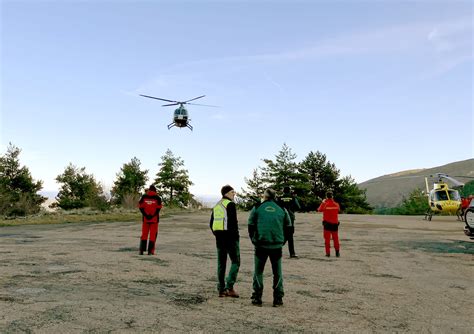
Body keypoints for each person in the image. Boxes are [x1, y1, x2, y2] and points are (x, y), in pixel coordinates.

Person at [248, 188, 292, 307]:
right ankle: (278, 299)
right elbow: (289, 226)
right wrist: (284, 240)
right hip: (276, 245)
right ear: (275, 196)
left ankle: (257, 297)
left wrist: (253, 239)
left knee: (258, 271)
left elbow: (250, 224)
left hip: (261, 244)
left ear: (265, 196)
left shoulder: (257, 207)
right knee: (277, 272)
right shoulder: (282, 208)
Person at [210, 185, 240, 298]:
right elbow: (233, 223)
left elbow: (211, 224)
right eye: (232, 192)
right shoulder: (230, 204)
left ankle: (221, 289)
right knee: (236, 262)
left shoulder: (217, 205)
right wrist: (236, 237)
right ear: (226, 193)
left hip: (219, 239)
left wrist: (218, 235)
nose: (234, 194)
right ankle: (230, 287)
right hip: (231, 239)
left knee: (221, 264)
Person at [138, 185, 163, 255]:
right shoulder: (158, 198)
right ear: (155, 191)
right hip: (154, 220)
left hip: (145, 219)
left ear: (149, 190)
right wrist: (152, 215)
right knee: (153, 235)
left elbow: (140, 207)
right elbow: (158, 208)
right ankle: (150, 252)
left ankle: (141, 251)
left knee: (144, 235)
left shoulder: (144, 197)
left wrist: (146, 215)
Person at [277, 186, 301, 258]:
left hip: (282, 218)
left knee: (282, 234)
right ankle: (292, 253)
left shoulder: (280, 198)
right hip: (290, 218)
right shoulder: (293, 198)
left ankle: (277, 250)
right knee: (290, 236)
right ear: (289, 191)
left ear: (283, 191)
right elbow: (298, 207)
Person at [318, 191, 340, 258]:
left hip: (327, 224)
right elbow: (338, 210)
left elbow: (319, 210)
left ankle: (328, 253)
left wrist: (323, 202)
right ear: (332, 196)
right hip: (335, 224)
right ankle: (337, 253)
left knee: (327, 239)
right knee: (335, 239)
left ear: (326, 196)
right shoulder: (336, 204)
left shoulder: (325, 204)